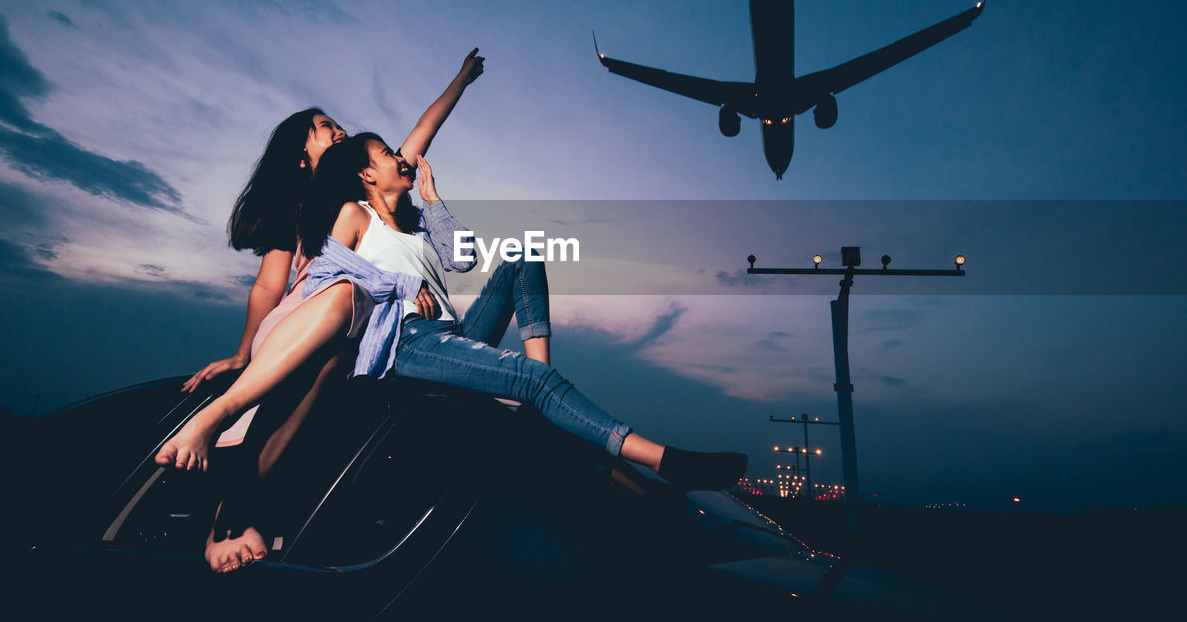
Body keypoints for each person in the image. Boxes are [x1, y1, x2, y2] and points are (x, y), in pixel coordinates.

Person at [156, 133, 747, 495]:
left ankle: (534, 398)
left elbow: (463, 260)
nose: (400, 158)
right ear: (367, 174)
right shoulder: (354, 214)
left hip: (449, 333)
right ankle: (663, 460)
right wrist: (392, 287)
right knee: (529, 378)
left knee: (521, 259)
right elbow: (328, 281)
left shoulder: (414, 221)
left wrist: (434, 200)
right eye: (389, 154)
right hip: (403, 342)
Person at [181, 49, 485, 572]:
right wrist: (241, 353)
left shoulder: (370, 190)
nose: (339, 131)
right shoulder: (299, 208)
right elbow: (268, 288)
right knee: (288, 383)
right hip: (310, 308)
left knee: (332, 378)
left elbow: (421, 132)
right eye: (325, 129)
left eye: (339, 126)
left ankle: (267, 512)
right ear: (302, 156)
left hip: (363, 309)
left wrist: (461, 80)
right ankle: (226, 518)